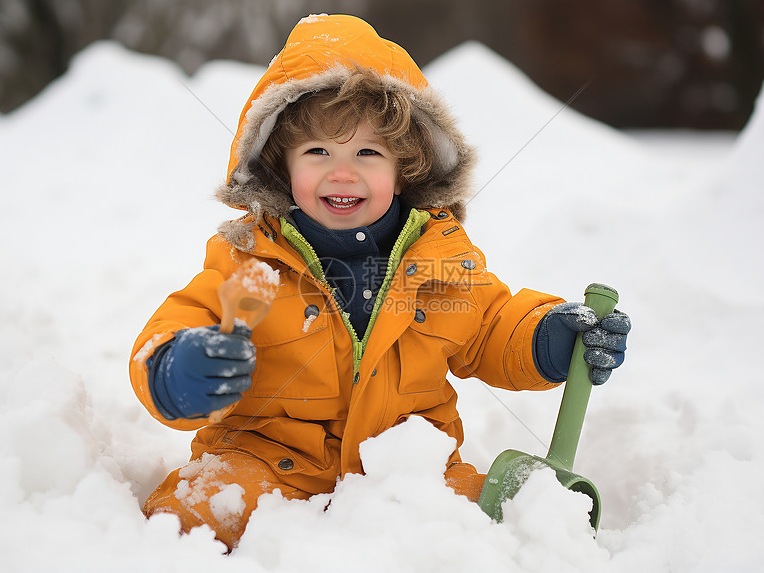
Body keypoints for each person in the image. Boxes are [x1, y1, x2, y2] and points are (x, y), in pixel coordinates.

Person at [129, 13, 630, 550]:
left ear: (405, 166)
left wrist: (548, 338)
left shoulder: (439, 260)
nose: (342, 173)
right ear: (281, 166)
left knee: (496, 524)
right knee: (190, 514)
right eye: (317, 151)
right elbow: (180, 321)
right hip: (265, 464)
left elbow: (491, 325)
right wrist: (179, 371)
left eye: (367, 153)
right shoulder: (250, 260)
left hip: (408, 471)